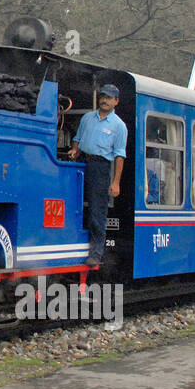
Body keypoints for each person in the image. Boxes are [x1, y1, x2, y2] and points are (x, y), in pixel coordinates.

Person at [67, 83, 127, 268]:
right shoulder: (87, 118)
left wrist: (115, 182)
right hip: (82, 162)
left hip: (101, 167)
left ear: (116, 101)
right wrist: (75, 150)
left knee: (97, 211)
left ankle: (96, 253)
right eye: (102, 96)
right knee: (72, 203)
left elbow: (119, 156)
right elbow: (77, 138)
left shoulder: (119, 126)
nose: (104, 100)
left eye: (109, 98)